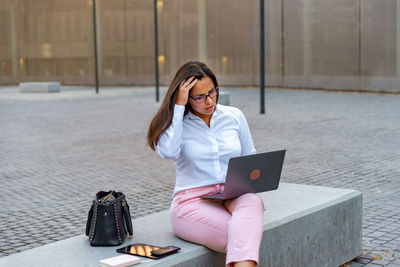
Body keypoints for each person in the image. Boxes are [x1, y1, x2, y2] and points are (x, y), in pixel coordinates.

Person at [147, 61, 264, 267]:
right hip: (192, 202)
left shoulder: (234, 116)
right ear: (186, 98)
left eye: (213, 92)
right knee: (242, 238)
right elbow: (168, 152)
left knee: (253, 202)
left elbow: (249, 156)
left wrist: (250, 181)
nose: (209, 101)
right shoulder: (178, 125)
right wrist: (178, 108)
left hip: (233, 192)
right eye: (200, 97)